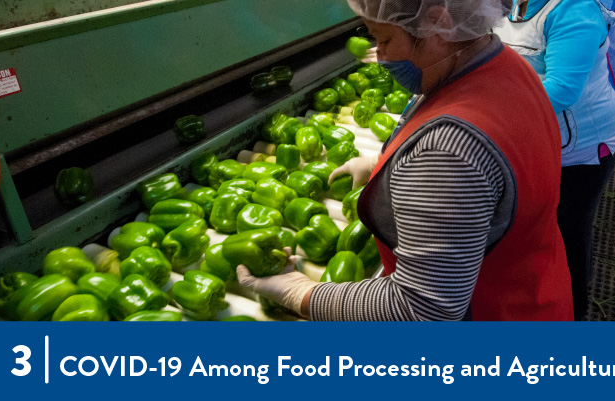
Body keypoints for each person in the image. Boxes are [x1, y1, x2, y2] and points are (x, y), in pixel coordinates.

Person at [236, 0, 573, 321]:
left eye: (384, 38)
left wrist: (302, 295)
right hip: (535, 292)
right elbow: (504, 166)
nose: (380, 55)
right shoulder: (507, 64)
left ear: (438, 24)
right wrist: (390, 166)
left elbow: (421, 311)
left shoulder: (449, 151)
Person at [494, 0, 615, 320]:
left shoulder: (575, 10)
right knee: (541, 226)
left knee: (568, 231)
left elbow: (561, 89)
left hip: (583, 149)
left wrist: (488, 108)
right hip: (539, 136)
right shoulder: (512, 5)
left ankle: (573, 312)